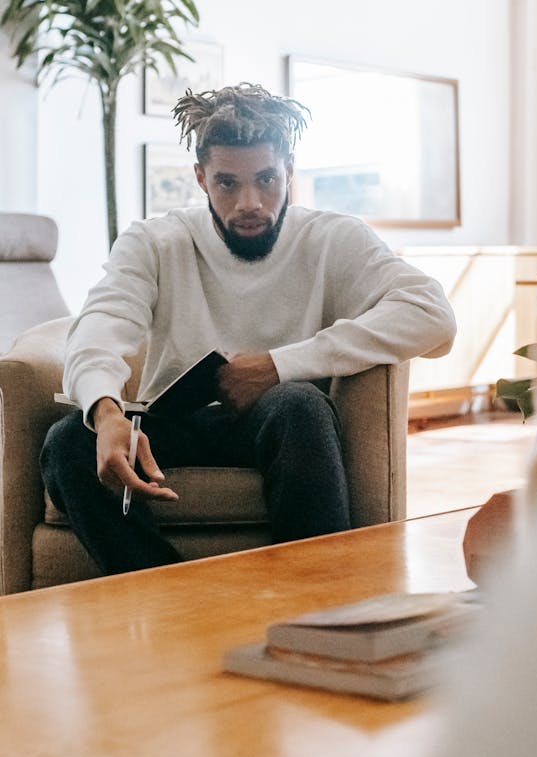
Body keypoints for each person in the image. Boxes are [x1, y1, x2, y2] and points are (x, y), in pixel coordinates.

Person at [41, 82, 456, 575]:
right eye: (227, 183)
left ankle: (313, 605)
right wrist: (106, 413)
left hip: (279, 423)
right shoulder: (155, 240)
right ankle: (171, 596)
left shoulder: (332, 238)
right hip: (173, 421)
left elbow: (434, 315)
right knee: (67, 441)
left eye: (266, 179)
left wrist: (280, 365)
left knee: (300, 403)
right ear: (200, 178)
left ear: (290, 172)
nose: (250, 203)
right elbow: (101, 326)